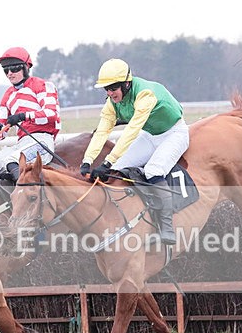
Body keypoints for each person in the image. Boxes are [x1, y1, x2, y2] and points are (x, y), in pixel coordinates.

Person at [80, 59, 189, 245]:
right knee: (116, 169)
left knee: (153, 170)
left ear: (126, 83)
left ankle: (166, 225)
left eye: (113, 88)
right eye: (106, 89)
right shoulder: (111, 103)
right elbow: (102, 131)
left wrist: (106, 161)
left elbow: (131, 131)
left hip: (174, 133)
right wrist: (87, 161)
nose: (109, 93)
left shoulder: (145, 94)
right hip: (150, 135)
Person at [0, 46, 61, 183]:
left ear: (26, 67)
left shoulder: (43, 85)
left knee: (12, 160)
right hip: (21, 143)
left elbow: (51, 113)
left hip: (42, 140)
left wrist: (23, 116)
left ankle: (25, 197)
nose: (10, 73)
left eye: (14, 69)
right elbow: (2, 132)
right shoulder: (7, 95)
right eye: (6, 70)